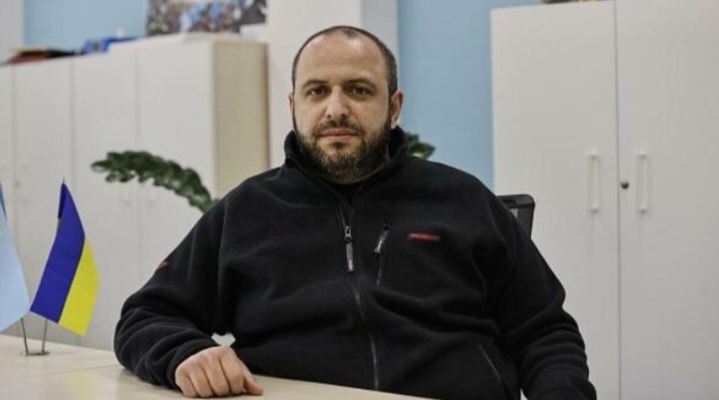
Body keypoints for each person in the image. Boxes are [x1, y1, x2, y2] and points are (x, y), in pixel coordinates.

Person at [114, 25, 596, 400]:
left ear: (394, 107)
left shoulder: (463, 200)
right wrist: (186, 352)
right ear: (294, 105)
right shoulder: (245, 212)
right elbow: (146, 315)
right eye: (316, 91)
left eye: (359, 90)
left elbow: (545, 332)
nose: (335, 109)